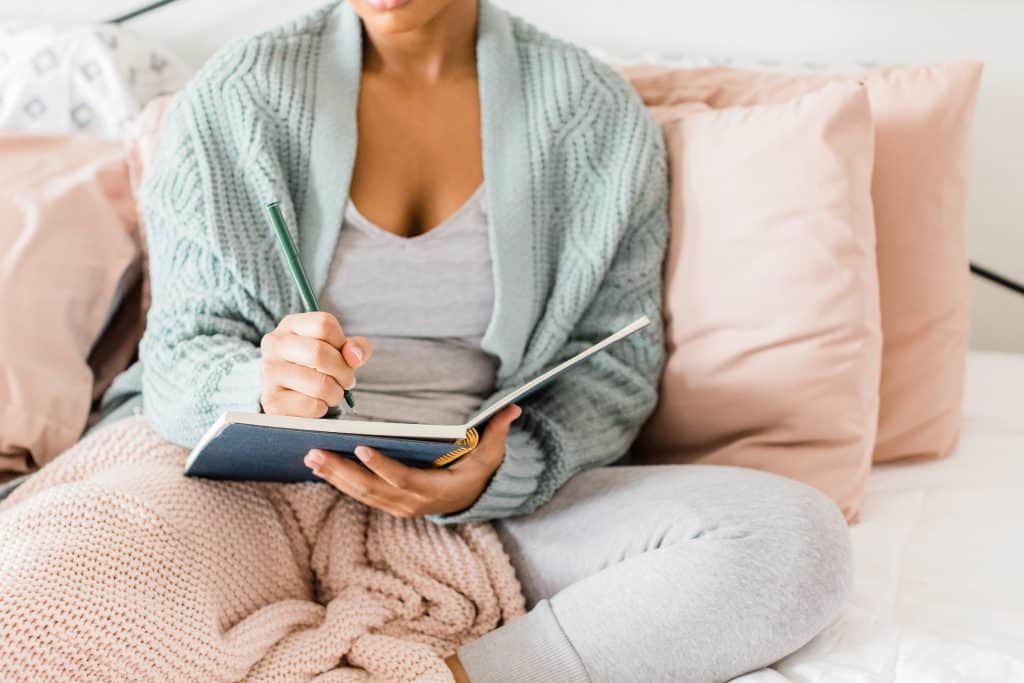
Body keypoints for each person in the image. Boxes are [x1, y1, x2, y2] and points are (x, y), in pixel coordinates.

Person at [7, 1, 852, 681]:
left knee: (792, 541)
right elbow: (183, 346)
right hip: (235, 484)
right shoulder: (236, 94)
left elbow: (617, 367)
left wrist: (498, 473)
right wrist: (259, 391)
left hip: (485, 506)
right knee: (34, 609)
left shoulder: (595, 115)